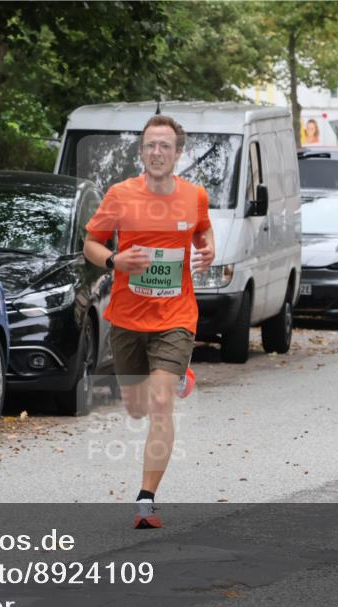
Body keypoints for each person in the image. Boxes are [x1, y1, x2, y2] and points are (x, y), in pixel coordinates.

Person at [83, 115, 215, 530]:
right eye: (149, 146)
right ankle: (179, 376)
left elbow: (204, 235)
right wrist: (114, 260)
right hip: (127, 318)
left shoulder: (195, 197)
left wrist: (208, 251)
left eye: (165, 146)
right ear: (141, 152)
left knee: (160, 403)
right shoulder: (121, 195)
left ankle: (146, 500)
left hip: (176, 316)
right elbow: (91, 243)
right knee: (137, 407)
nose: (157, 153)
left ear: (178, 153)